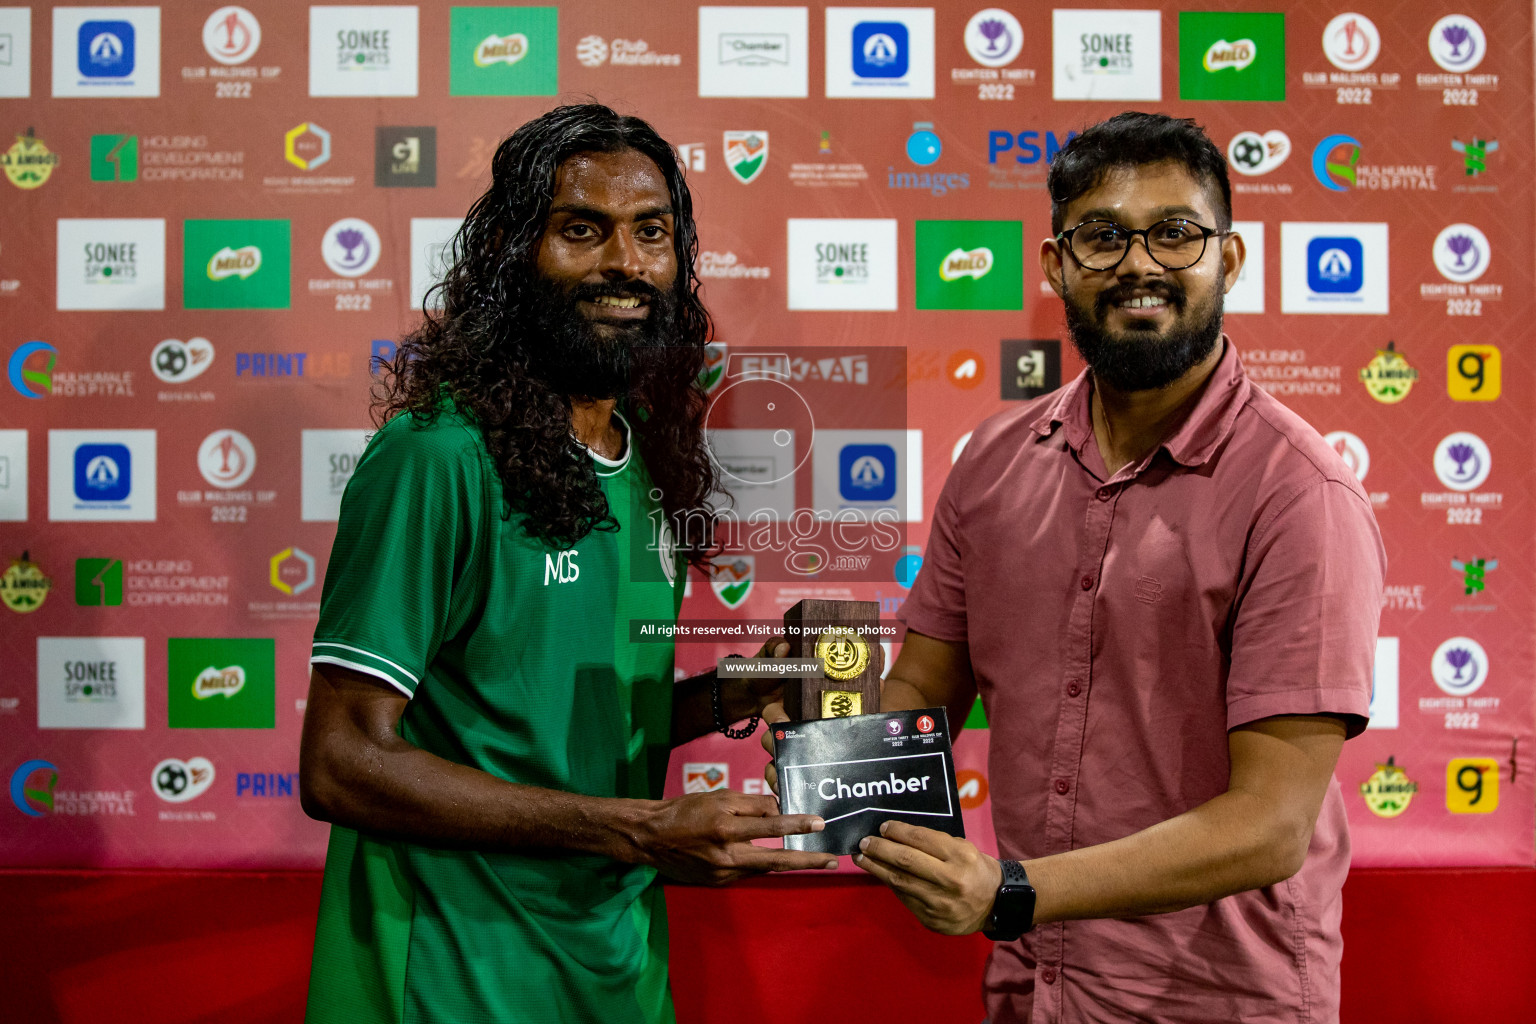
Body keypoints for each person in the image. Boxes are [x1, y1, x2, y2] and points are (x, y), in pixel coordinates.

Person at [768, 112, 1386, 1023]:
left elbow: (1271, 826)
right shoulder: (992, 460)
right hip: (1035, 987)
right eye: (1103, 236)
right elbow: (922, 695)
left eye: (1176, 233)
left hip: (1216, 1000)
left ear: (1231, 260)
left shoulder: (1300, 493)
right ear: (1058, 265)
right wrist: (811, 774)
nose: (1140, 264)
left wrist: (1010, 892)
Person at [299, 104, 833, 1024]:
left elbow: (575, 719)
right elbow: (342, 761)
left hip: (613, 965)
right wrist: (640, 830)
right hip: (455, 974)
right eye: (582, 230)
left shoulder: (645, 461)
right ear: (513, 253)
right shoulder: (437, 459)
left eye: (651, 232)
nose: (625, 262)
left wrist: (740, 694)